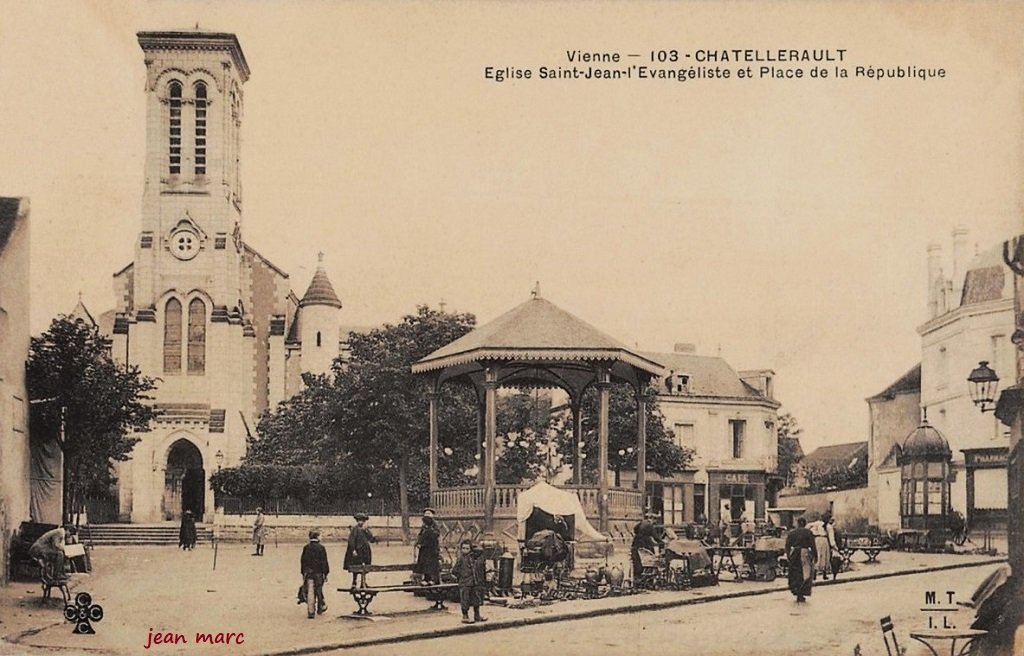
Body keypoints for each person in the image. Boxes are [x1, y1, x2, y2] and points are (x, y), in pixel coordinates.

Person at [297, 529, 329, 619]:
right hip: (318, 573)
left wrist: (303, 572)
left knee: (310, 590)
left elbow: (303, 561)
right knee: (319, 590)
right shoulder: (321, 548)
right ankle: (320, 607)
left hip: (309, 573)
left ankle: (311, 611)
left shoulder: (306, 547)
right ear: (317, 537)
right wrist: (326, 573)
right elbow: (324, 562)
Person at [451, 541, 485, 624]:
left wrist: (473, 547)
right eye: (463, 548)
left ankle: (477, 615)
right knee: (465, 600)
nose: (465, 550)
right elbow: (454, 570)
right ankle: (465, 616)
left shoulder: (473, 557)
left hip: (473, 582)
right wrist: (461, 576)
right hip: (465, 582)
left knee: (476, 599)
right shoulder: (461, 559)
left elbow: (480, 551)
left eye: (467, 548)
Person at [785, 517, 817, 602]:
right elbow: (813, 545)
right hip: (804, 552)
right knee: (806, 574)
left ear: (798, 523)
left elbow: (787, 545)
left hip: (794, 553)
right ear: (805, 523)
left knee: (795, 573)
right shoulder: (808, 532)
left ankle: (797, 591)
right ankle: (802, 592)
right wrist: (815, 555)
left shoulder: (792, 533)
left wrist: (788, 555)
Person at [343, 512, 375, 587]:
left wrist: (367, 531)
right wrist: (353, 550)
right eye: (359, 520)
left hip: (365, 551)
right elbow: (351, 540)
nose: (361, 522)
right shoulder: (355, 530)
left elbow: (371, 539)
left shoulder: (366, 530)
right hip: (358, 551)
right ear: (357, 521)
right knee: (356, 567)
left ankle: (363, 582)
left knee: (365, 566)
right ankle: (354, 582)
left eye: (363, 521)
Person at [413, 508, 441, 585]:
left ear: (432, 515)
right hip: (424, 547)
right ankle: (426, 579)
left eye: (429, 513)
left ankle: (434, 579)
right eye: (426, 513)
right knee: (424, 563)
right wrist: (418, 543)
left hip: (432, 547)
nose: (427, 515)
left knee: (433, 564)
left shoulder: (435, 524)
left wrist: (430, 530)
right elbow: (420, 535)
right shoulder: (424, 525)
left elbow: (437, 534)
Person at [631, 512, 660, 582]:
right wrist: (661, 541)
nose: (655, 522)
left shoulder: (642, 522)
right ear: (652, 519)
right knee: (650, 555)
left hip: (636, 542)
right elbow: (655, 537)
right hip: (645, 542)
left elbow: (635, 529)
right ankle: (649, 573)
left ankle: (638, 575)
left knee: (638, 558)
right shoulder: (650, 525)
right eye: (655, 520)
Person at [807, 513, 831, 580]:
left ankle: (814, 574)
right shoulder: (828, 526)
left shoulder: (815, 524)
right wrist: (834, 546)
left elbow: (807, 527)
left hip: (816, 540)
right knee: (824, 556)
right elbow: (831, 539)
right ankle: (824, 574)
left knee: (816, 555)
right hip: (824, 540)